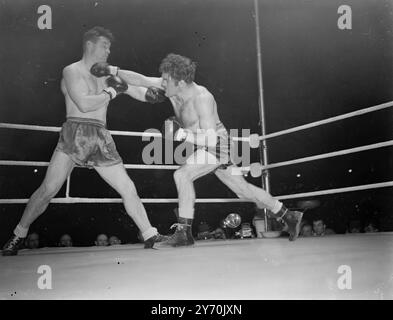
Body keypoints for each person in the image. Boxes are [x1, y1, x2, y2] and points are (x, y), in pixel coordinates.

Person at [90, 53, 303, 247]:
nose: (161, 83)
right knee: (243, 190)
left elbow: (210, 139)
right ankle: (287, 215)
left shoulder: (203, 98)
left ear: (181, 82)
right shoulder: (172, 87)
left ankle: (184, 232)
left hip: (216, 144)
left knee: (182, 175)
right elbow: (140, 79)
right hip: (203, 145)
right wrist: (113, 71)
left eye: (166, 80)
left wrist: (183, 136)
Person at [2, 26, 168, 256]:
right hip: (75, 132)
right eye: (104, 46)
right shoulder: (72, 71)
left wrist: (153, 95)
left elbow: (134, 90)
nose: (108, 51)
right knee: (48, 191)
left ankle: (150, 234)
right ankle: (18, 236)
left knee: (128, 187)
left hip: (101, 135)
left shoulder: (106, 73)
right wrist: (112, 92)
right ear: (90, 45)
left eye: (109, 47)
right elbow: (84, 104)